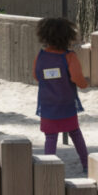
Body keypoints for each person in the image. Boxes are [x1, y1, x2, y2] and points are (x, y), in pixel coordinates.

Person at [33, 17, 89, 167]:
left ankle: (48, 167)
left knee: (50, 138)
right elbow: (78, 78)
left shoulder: (41, 56)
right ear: (68, 37)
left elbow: (36, 76)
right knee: (75, 133)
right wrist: (85, 83)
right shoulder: (69, 56)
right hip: (66, 104)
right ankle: (86, 164)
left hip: (47, 104)